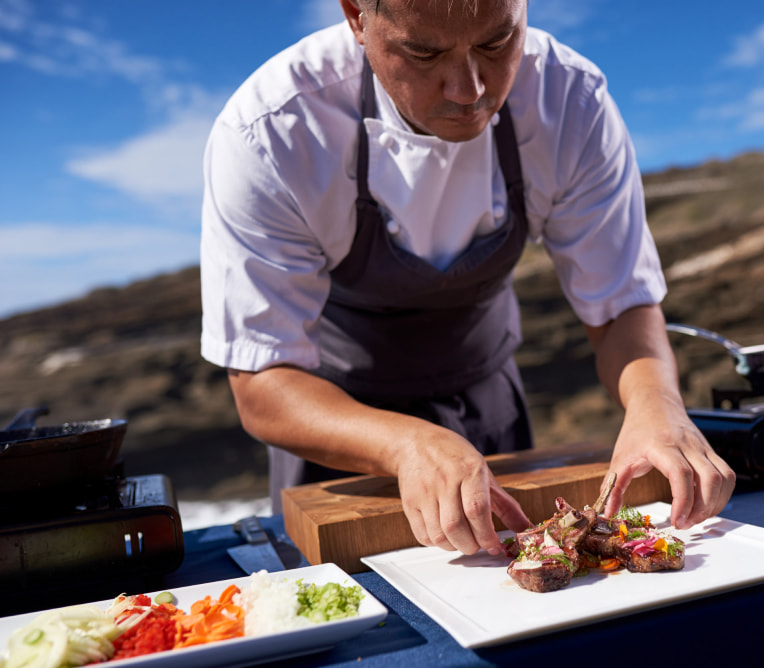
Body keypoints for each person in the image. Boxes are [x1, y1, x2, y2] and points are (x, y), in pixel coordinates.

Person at [200, 0, 735, 558]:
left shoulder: (570, 99)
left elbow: (621, 306)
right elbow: (263, 384)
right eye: (424, 52)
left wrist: (656, 404)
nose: (469, 88)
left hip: (492, 409)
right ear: (357, 16)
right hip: (337, 431)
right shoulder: (270, 131)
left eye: (496, 43)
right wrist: (404, 444)